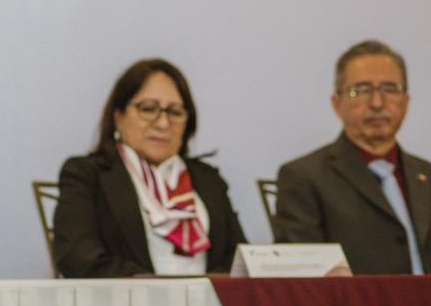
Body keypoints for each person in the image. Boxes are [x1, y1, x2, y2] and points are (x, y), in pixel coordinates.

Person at [52, 58, 246, 278]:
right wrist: (158, 290)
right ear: (118, 117)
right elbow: (78, 258)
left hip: (209, 300)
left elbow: (239, 261)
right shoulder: (87, 175)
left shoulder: (208, 179)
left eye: (175, 112)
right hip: (126, 300)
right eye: (148, 109)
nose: (163, 123)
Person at [273, 40, 430, 274]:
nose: (377, 103)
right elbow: (302, 280)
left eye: (390, 89)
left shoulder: (425, 174)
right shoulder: (304, 177)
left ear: (406, 102)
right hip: (355, 299)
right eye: (361, 91)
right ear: (337, 103)